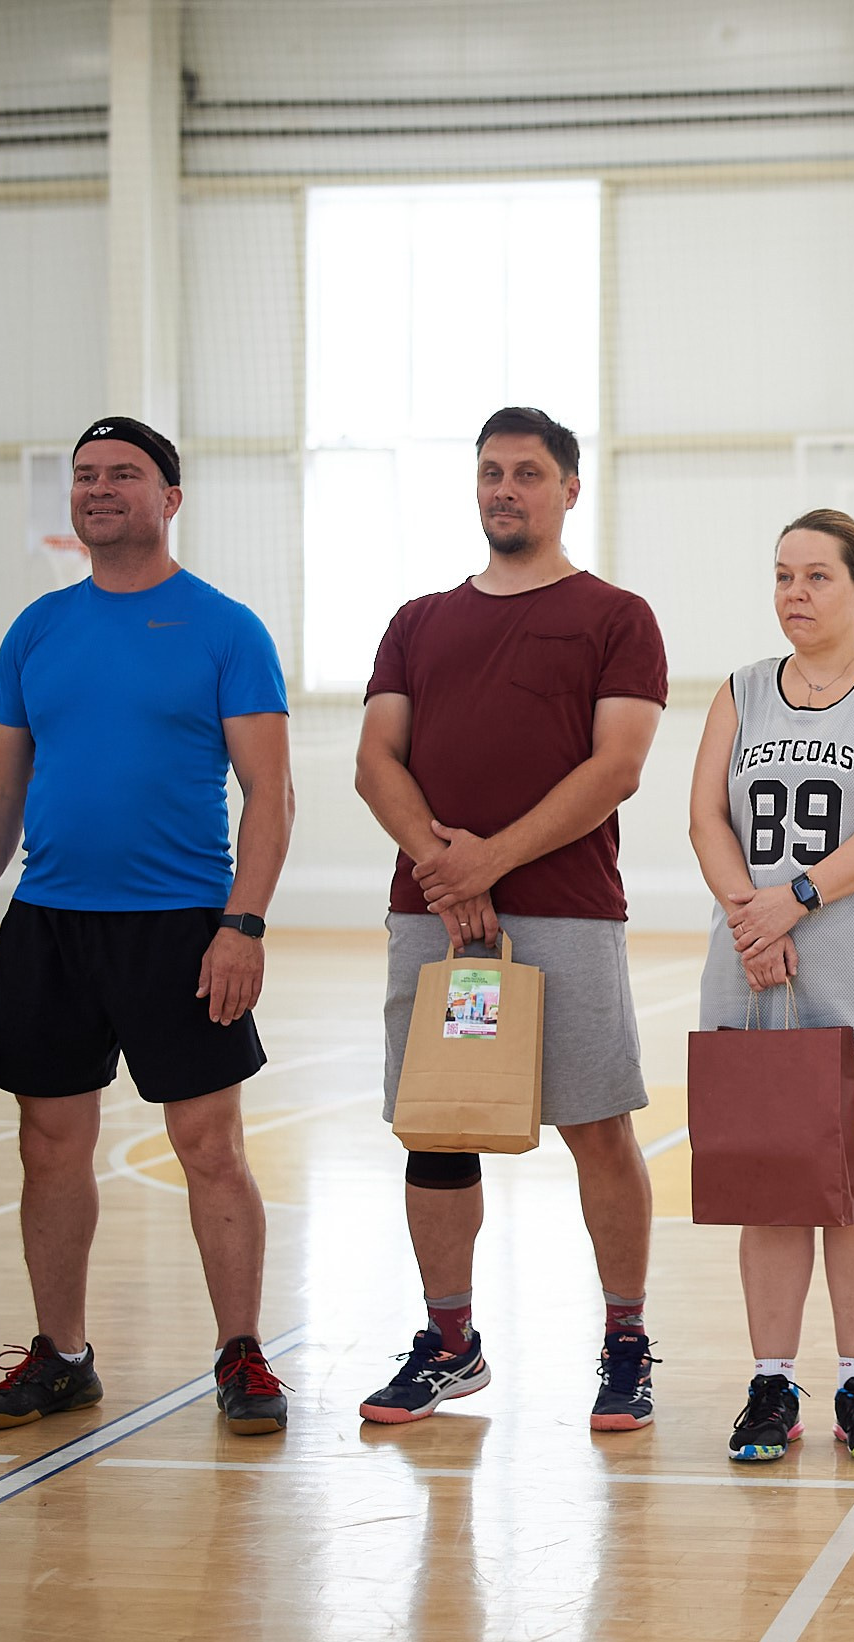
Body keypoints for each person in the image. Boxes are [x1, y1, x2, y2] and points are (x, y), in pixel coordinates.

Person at [0, 416, 295, 1434]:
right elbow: (0, 785)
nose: (98, 489)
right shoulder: (38, 629)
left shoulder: (225, 628)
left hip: (180, 925)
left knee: (208, 1145)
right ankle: (63, 1355)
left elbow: (271, 792)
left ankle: (240, 1354)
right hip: (49, 923)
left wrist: (244, 925)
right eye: (85, 476)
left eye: (123, 475)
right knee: (49, 1146)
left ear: (169, 499)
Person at [354, 406, 668, 1432]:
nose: (505, 489)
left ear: (569, 488)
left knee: (596, 1129)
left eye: (527, 472)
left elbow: (616, 766)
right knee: (437, 1131)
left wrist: (488, 857)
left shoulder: (617, 615)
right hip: (436, 922)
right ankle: (450, 1344)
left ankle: (625, 1340)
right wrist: (451, 872)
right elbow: (374, 763)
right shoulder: (417, 620)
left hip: (566, 916)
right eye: (490, 472)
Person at [689, 508, 854, 1464]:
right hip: (753, 976)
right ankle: (770, 1381)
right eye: (782, 576)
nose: (794, 594)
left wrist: (793, 900)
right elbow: (706, 817)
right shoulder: (742, 691)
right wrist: (747, 916)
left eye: (815, 577)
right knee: (769, 1190)